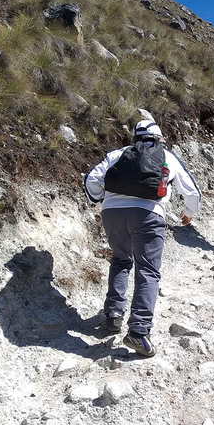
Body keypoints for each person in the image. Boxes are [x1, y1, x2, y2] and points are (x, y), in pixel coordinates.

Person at [84, 119, 201, 357]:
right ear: (159, 138)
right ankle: (138, 332)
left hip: (112, 213)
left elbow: (92, 180)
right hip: (149, 214)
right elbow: (192, 191)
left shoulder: (117, 154)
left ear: (135, 138)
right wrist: (188, 214)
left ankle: (114, 315)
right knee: (147, 270)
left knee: (120, 261)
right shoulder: (167, 155)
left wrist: (99, 199)